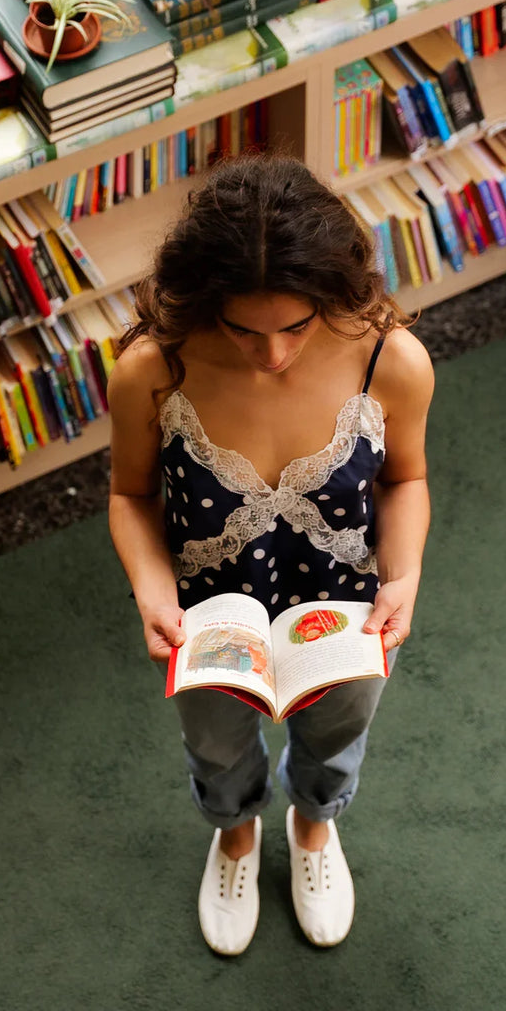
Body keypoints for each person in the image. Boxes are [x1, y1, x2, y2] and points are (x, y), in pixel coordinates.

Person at [107, 152, 434, 955]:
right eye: (243, 330)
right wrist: (152, 593)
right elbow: (131, 496)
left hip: (346, 609)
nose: (274, 354)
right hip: (204, 618)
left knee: (339, 731)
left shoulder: (387, 359)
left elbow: (407, 478)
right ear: (205, 300)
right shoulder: (153, 369)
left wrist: (404, 575)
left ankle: (316, 826)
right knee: (215, 742)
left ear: (332, 294)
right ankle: (236, 835)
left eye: (295, 325)